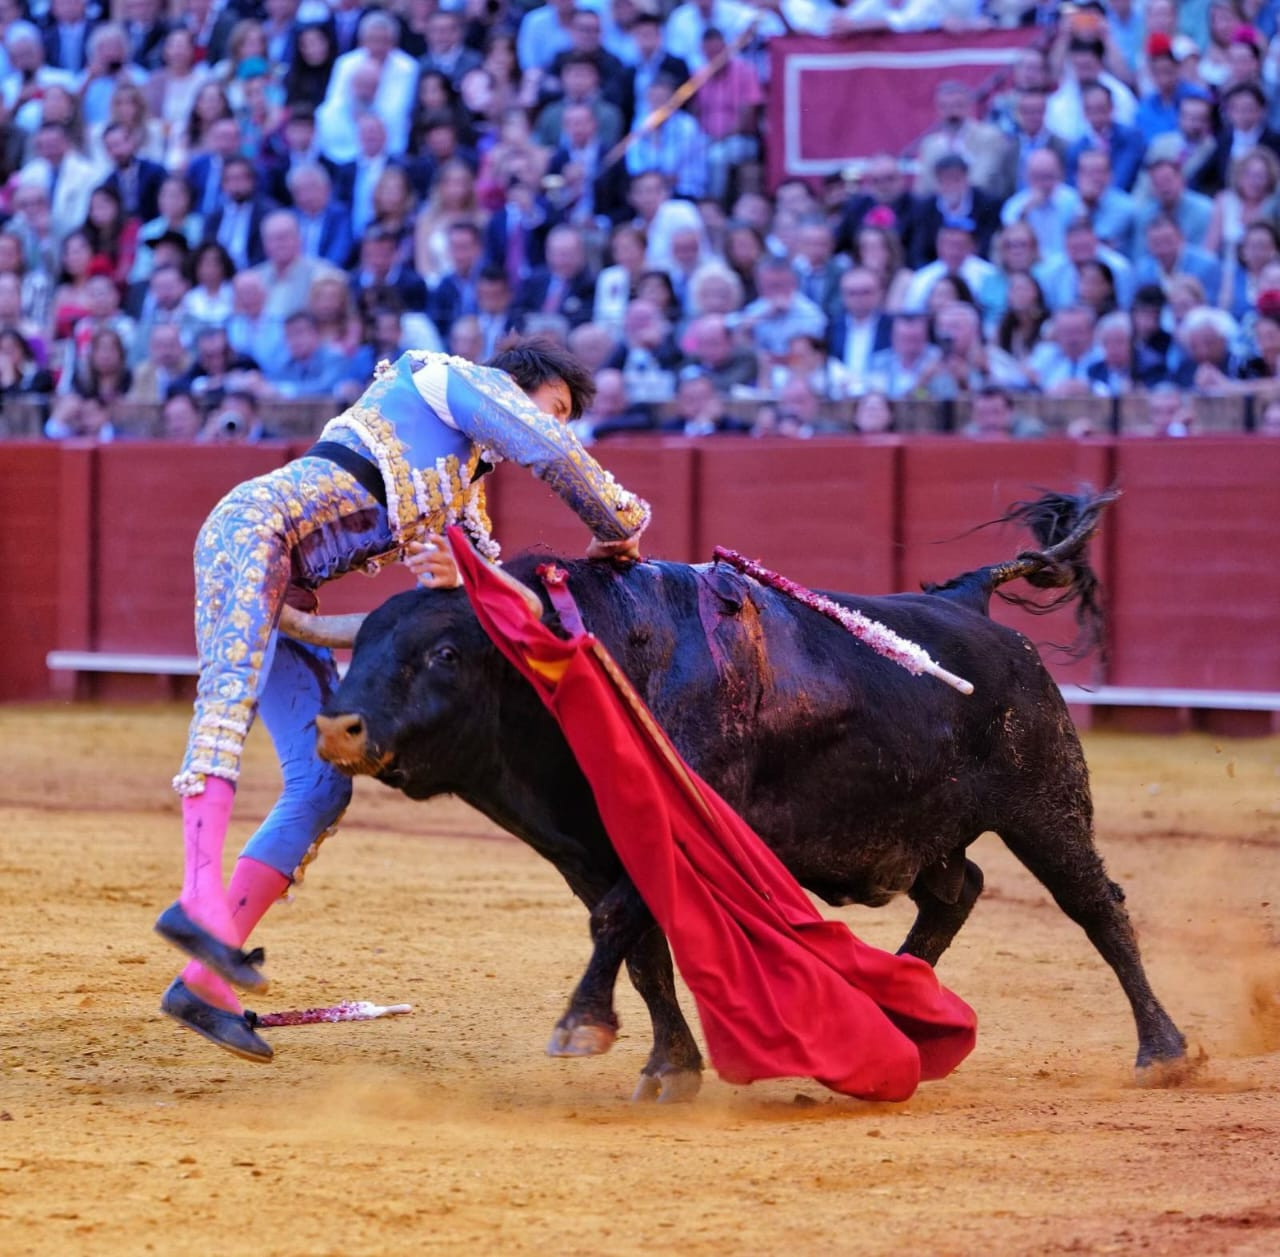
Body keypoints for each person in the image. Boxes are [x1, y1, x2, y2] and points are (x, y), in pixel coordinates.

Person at [154, 337, 651, 1061]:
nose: (559, 423)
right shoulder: (442, 376)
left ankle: (202, 982)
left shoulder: (465, 495)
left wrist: (468, 575)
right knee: (224, 708)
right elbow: (549, 449)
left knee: (323, 784)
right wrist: (622, 524)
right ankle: (198, 901)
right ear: (520, 385)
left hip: (293, 596)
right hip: (250, 532)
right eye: (558, 406)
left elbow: (490, 599)